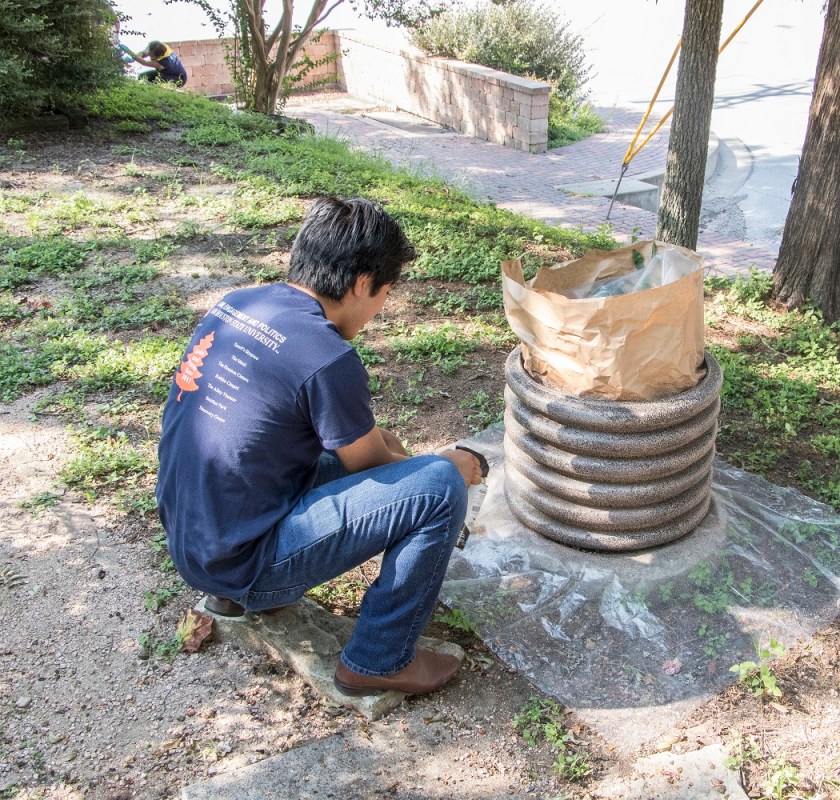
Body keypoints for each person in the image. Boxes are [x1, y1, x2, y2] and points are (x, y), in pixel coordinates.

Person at [156, 197, 483, 697]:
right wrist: (451, 466)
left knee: (388, 447)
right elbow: (372, 466)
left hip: (195, 539)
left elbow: (353, 448)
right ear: (361, 283)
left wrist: (398, 456)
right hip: (242, 561)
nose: (379, 310)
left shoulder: (239, 304)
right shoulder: (327, 356)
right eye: (384, 293)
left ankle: (235, 597)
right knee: (438, 486)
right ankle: (377, 660)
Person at [120, 40, 187, 85]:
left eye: (151, 56)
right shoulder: (159, 46)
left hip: (177, 78)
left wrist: (129, 52)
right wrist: (133, 58)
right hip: (166, 73)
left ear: (157, 57)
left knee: (157, 84)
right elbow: (145, 53)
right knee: (143, 77)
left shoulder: (163, 62)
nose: (149, 55)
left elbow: (144, 63)